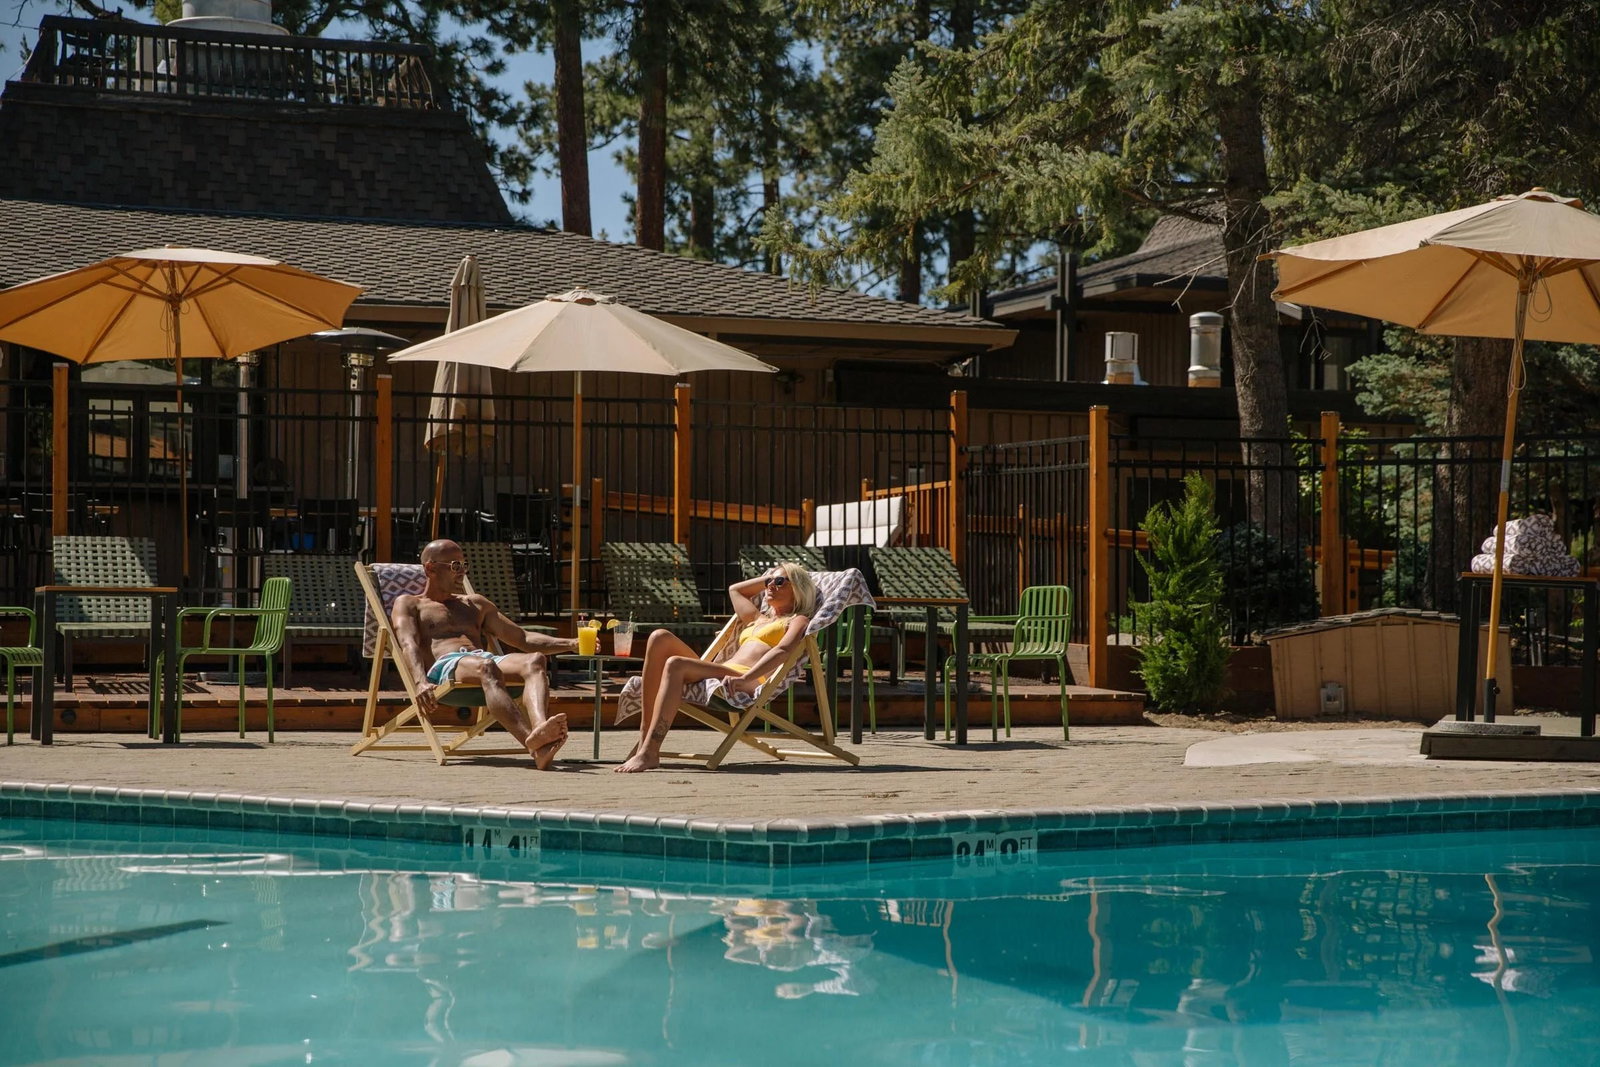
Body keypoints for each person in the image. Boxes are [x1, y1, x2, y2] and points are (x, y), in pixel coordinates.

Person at [391, 539, 577, 768]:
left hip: (483, 661)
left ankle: (540, 731)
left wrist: (571, 642)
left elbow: (523, 639)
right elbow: (407, 643)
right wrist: (419, 682)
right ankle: (533, 745)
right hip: (446, 667)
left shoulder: (475, 604)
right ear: (430, 568)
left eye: (463, 565)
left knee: (535, 660)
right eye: (454, 566)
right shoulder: (410, 604)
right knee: (486, 667)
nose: (461, 572)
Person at [615, 562, 817, 773]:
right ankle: (644, 740)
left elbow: (783, 651)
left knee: (675, 664)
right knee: (659, 637)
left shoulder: (797, 620)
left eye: (779, 582)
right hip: (720, 670)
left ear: (798, 589)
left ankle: (650, 751)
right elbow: (735, 590)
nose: (770, 586)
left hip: (745, 678)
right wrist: (771, 577)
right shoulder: (757, 618)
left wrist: (747, 677)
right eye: (769, 582)